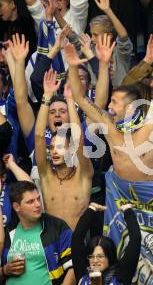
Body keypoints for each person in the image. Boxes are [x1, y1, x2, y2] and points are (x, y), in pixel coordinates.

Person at [66, 41, 153, 182]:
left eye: (115, 102)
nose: (109, 106)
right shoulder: (109, 126)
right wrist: (73, 67)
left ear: (130, 108)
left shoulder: (151, 128)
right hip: (123, 195)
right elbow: (79, 98)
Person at [35, 69, 93, 230]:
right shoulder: (46, 175)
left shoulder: (84, 175)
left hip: (77, 245)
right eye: (52, 147)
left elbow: (78, 138)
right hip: (52, 245)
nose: (54, 151)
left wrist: (69, 100)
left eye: (60, 147)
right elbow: (39, 136)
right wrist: (46, 97)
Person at [0, 181, 74, 284]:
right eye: (30, 202)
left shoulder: (57, 227)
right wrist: (4, 270)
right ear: (16, 207)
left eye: (38, 199)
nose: (38, 204)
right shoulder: (7, 232)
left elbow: (73, 267)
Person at [72, 202, 141, 284]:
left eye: (100, 256)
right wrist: (92, 209)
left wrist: (127, 211)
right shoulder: (83, 272)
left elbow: (135, 239)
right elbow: (76, 239)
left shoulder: (121, 274)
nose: (95, 261)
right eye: (91, 256)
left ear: (109, 257)